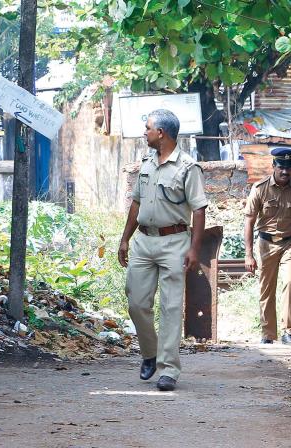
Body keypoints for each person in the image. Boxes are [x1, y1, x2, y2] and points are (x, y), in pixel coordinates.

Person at [117, 109, 208, 392]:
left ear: (162, 134)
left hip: (174, 243)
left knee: (170, 307)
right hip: (144, 242)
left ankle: (169, 369)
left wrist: (195, 250)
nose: (145, 133)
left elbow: (199, 209)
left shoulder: (188, 168)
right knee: (136, 302)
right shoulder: (146, 163)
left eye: (147, 129)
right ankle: (150, 353)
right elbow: (136, 204)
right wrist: (124, 239)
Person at [243, 148, 291, 346]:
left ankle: (288, 332)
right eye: (282, 168)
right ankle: (268, 333)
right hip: (266, 244)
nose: (285, 172)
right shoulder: (259, 189)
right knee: (266, 288)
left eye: (289, 168)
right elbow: (249, 222)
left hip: (290, 243)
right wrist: (248, 255)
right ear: (274, 167)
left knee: (290, 282)